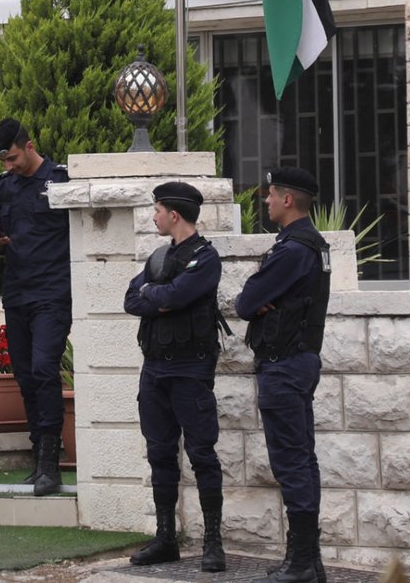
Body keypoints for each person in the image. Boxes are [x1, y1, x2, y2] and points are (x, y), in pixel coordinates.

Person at [123, 182, 227, 572]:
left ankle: (213, 543)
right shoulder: (158, 256)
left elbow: (175, 296)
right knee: (159, 454)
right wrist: (159, 295)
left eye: (157, 209)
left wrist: (158, 295)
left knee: (202, 455)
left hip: (190, 369)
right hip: (154, 370)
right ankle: (165, 538)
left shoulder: (206, 257)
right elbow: (131, 300)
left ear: (174, 215)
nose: (154, 216)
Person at [236, 168, 332, 583]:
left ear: (288, 200)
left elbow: (245, 302)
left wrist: (259, 302)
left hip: (284, 364)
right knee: (302, 459)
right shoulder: (312, 244)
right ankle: (308, 559)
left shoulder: (293, 249)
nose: (267, 202)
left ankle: (302, 563)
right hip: (298, 361)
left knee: (292, 461)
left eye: (271, 195)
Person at [0, 118, 71, 496]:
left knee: (43, 369)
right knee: (24, 375)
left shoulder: (61, 181)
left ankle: (51, 460)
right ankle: (38, 457)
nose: (9, 166)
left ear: (30, 145)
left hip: (53, 292)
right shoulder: (5, 188)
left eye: (14, 158)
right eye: (4, 161)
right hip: (17, 292)